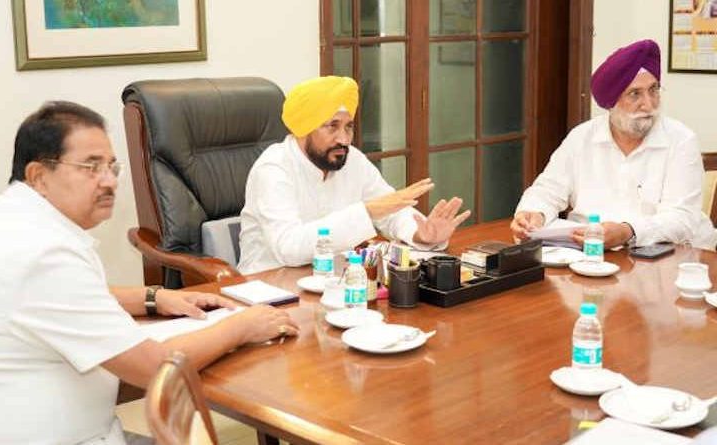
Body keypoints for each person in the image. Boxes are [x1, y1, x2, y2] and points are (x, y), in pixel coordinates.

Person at [0, 101, 299, 444]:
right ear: (38, 175)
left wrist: (153, 297)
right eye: (91, 167)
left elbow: (50, 299)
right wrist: (243, 326)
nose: (109, 180)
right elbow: (153, 368)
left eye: (111, 166)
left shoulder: (4, 219)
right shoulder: (42, 252)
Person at [237, 76, 471, 274]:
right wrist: (367, 212)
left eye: (348, 126)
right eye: (332, 126)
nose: (344, 139)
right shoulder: (274, 168)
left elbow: (389, 210)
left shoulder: (352, 159)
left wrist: (422, 233)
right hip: (271, 287)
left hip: (336, 281)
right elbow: (288, 248)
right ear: (303, 129)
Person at [511, 39, 717, 250]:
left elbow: (681, 219)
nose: (648, 104)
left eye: (653, 90)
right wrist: (533, 214)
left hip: (673, 258)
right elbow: (547, 190)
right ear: (611, 102)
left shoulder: (681, 140)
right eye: (635, 94)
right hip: (591, 255)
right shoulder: (582, 137)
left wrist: (627, 231)